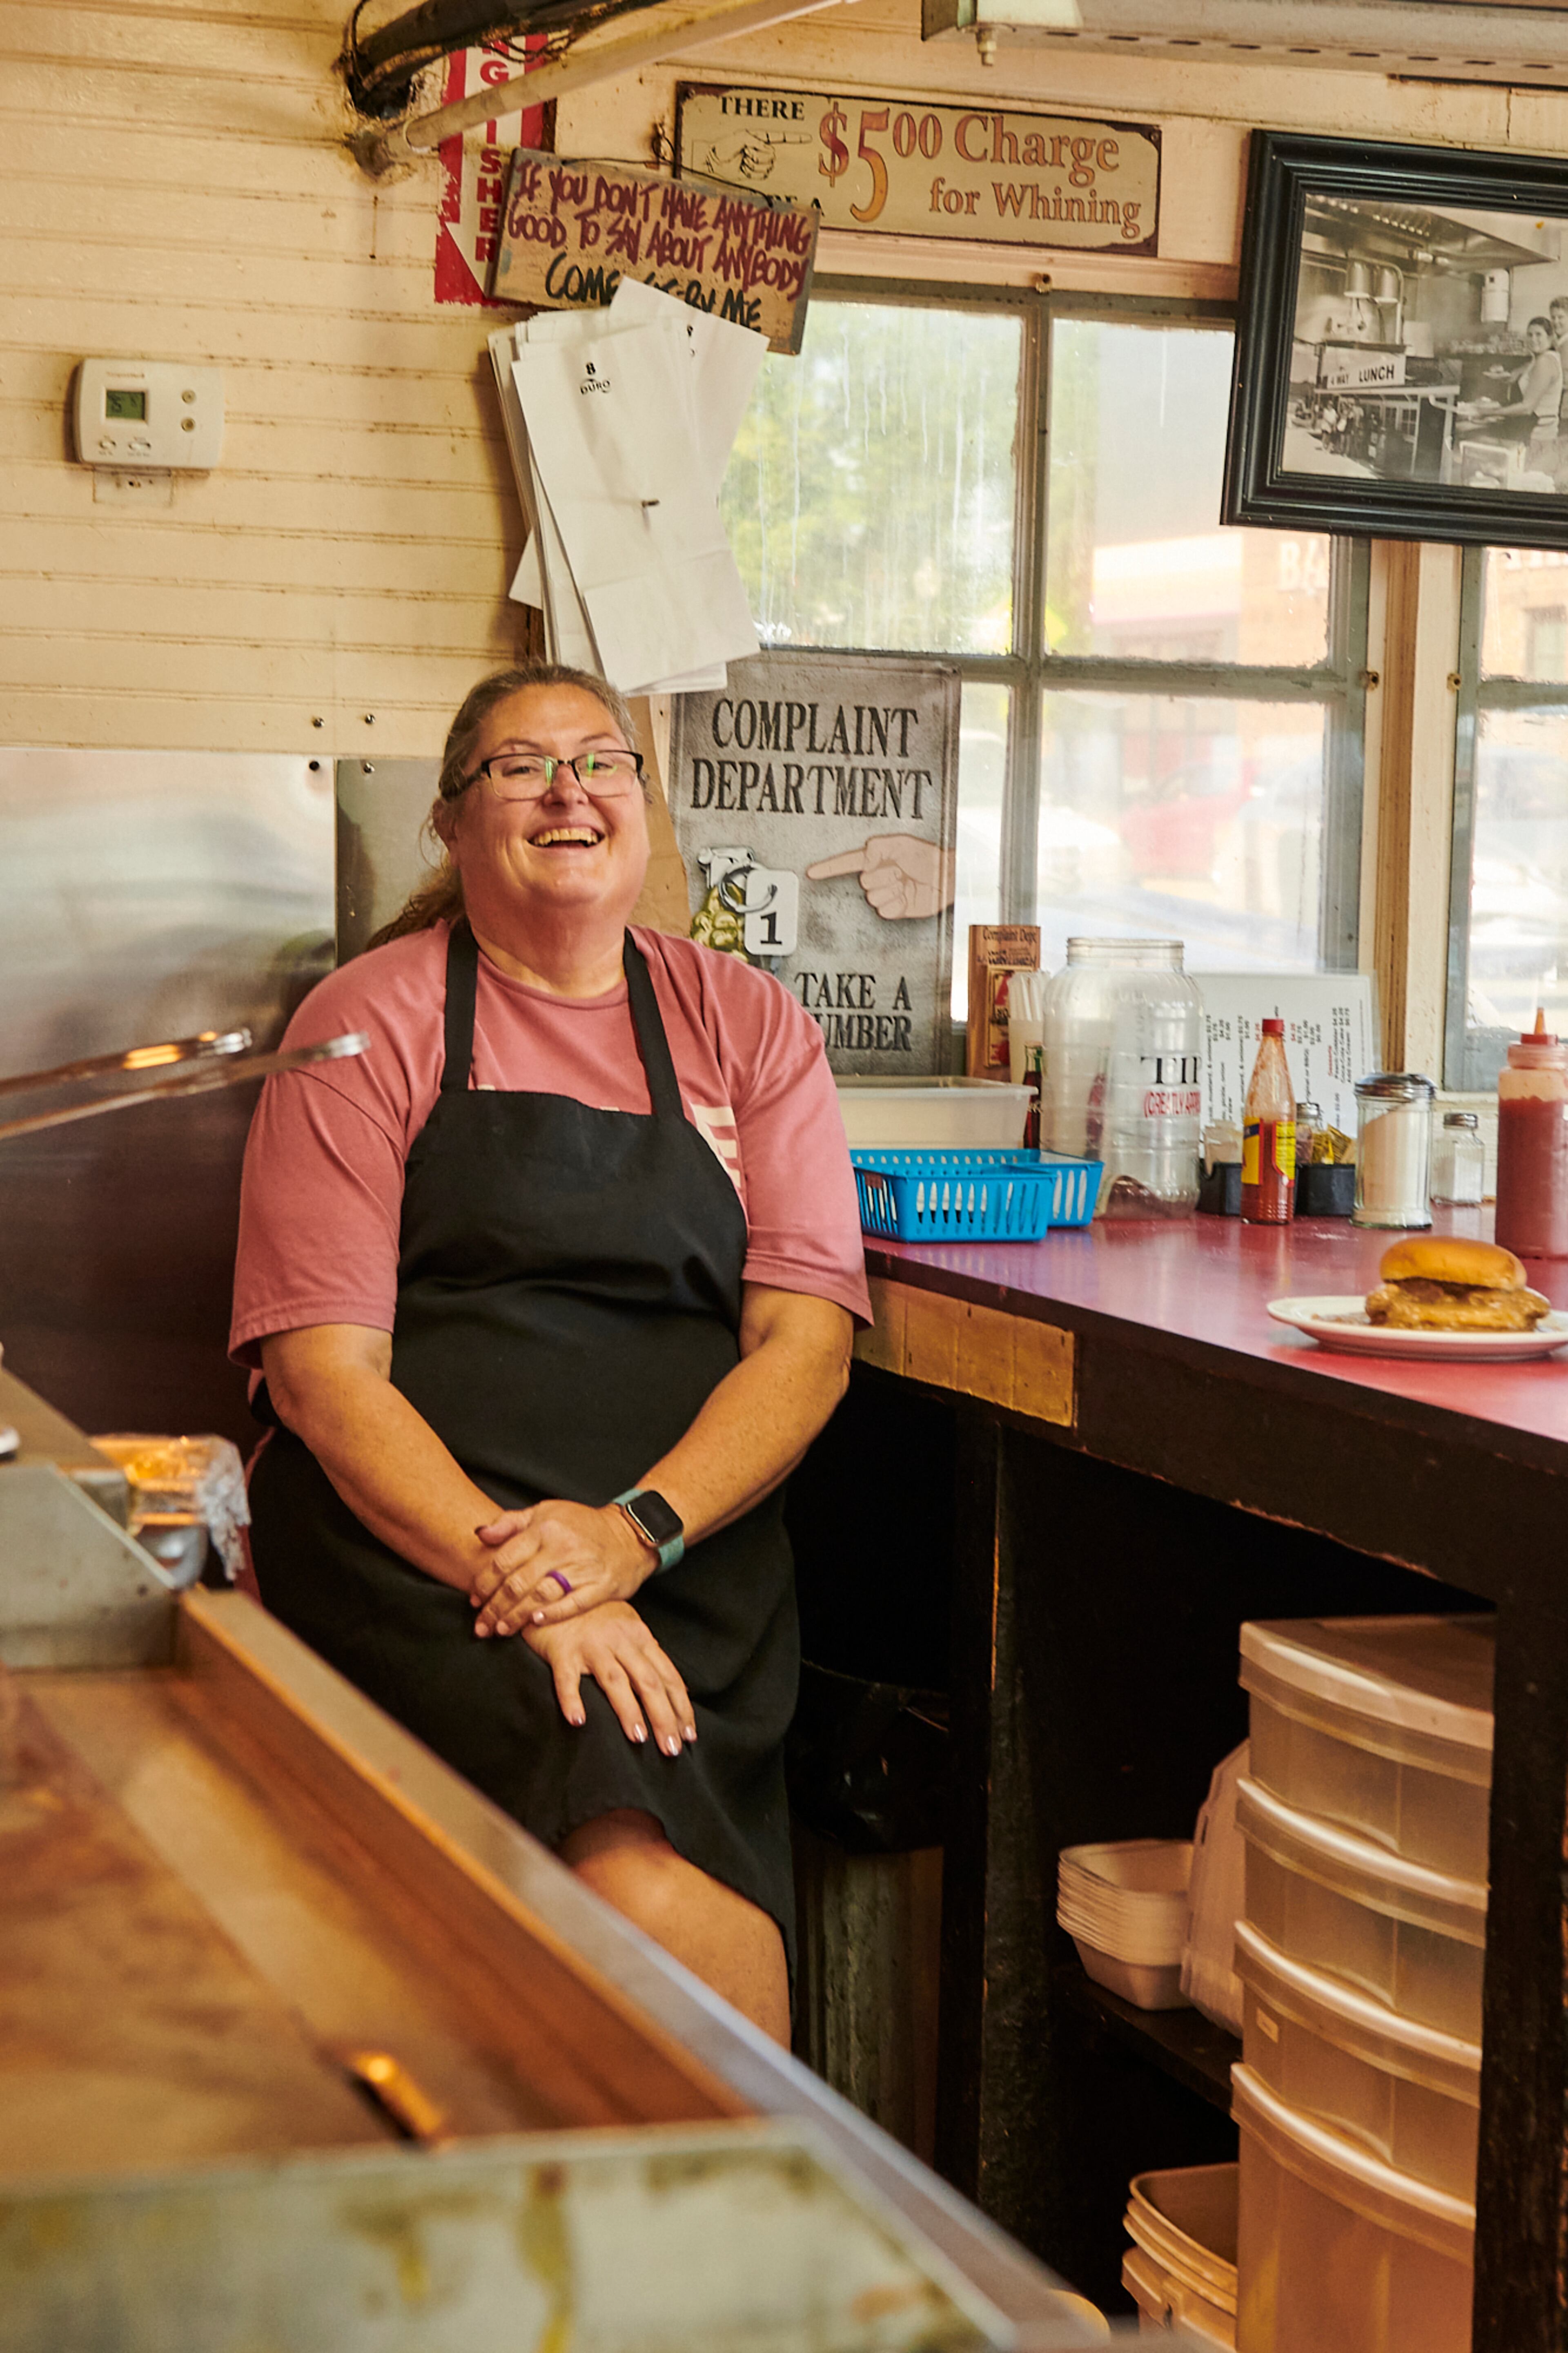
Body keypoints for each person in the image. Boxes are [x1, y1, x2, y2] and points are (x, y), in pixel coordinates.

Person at [230, 663, 871, 2044]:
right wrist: (536, 1577)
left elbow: (804, 1348)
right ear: (455, 826)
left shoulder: (746, 1025)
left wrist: (634, 1537)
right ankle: (728, 2222)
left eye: (603, 763)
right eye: (522, 767)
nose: (570, 791)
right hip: (417, 1544)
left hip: (687, 1549)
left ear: (643, 809)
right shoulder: (364, 1024)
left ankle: (726, 2229)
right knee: (628, 1863)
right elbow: (322, 1379)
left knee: (667, 1855)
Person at [1461, 317, 1562, 452]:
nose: (1533, 339)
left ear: (1551, 337)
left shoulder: (1545, 362)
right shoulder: (1544, 358)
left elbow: (1527, 408)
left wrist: (1488, 412)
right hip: (1538, 433)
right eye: (1530, 335)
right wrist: (1516, 373)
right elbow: (1531, 369)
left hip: (1538, 437)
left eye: (1539, 335)